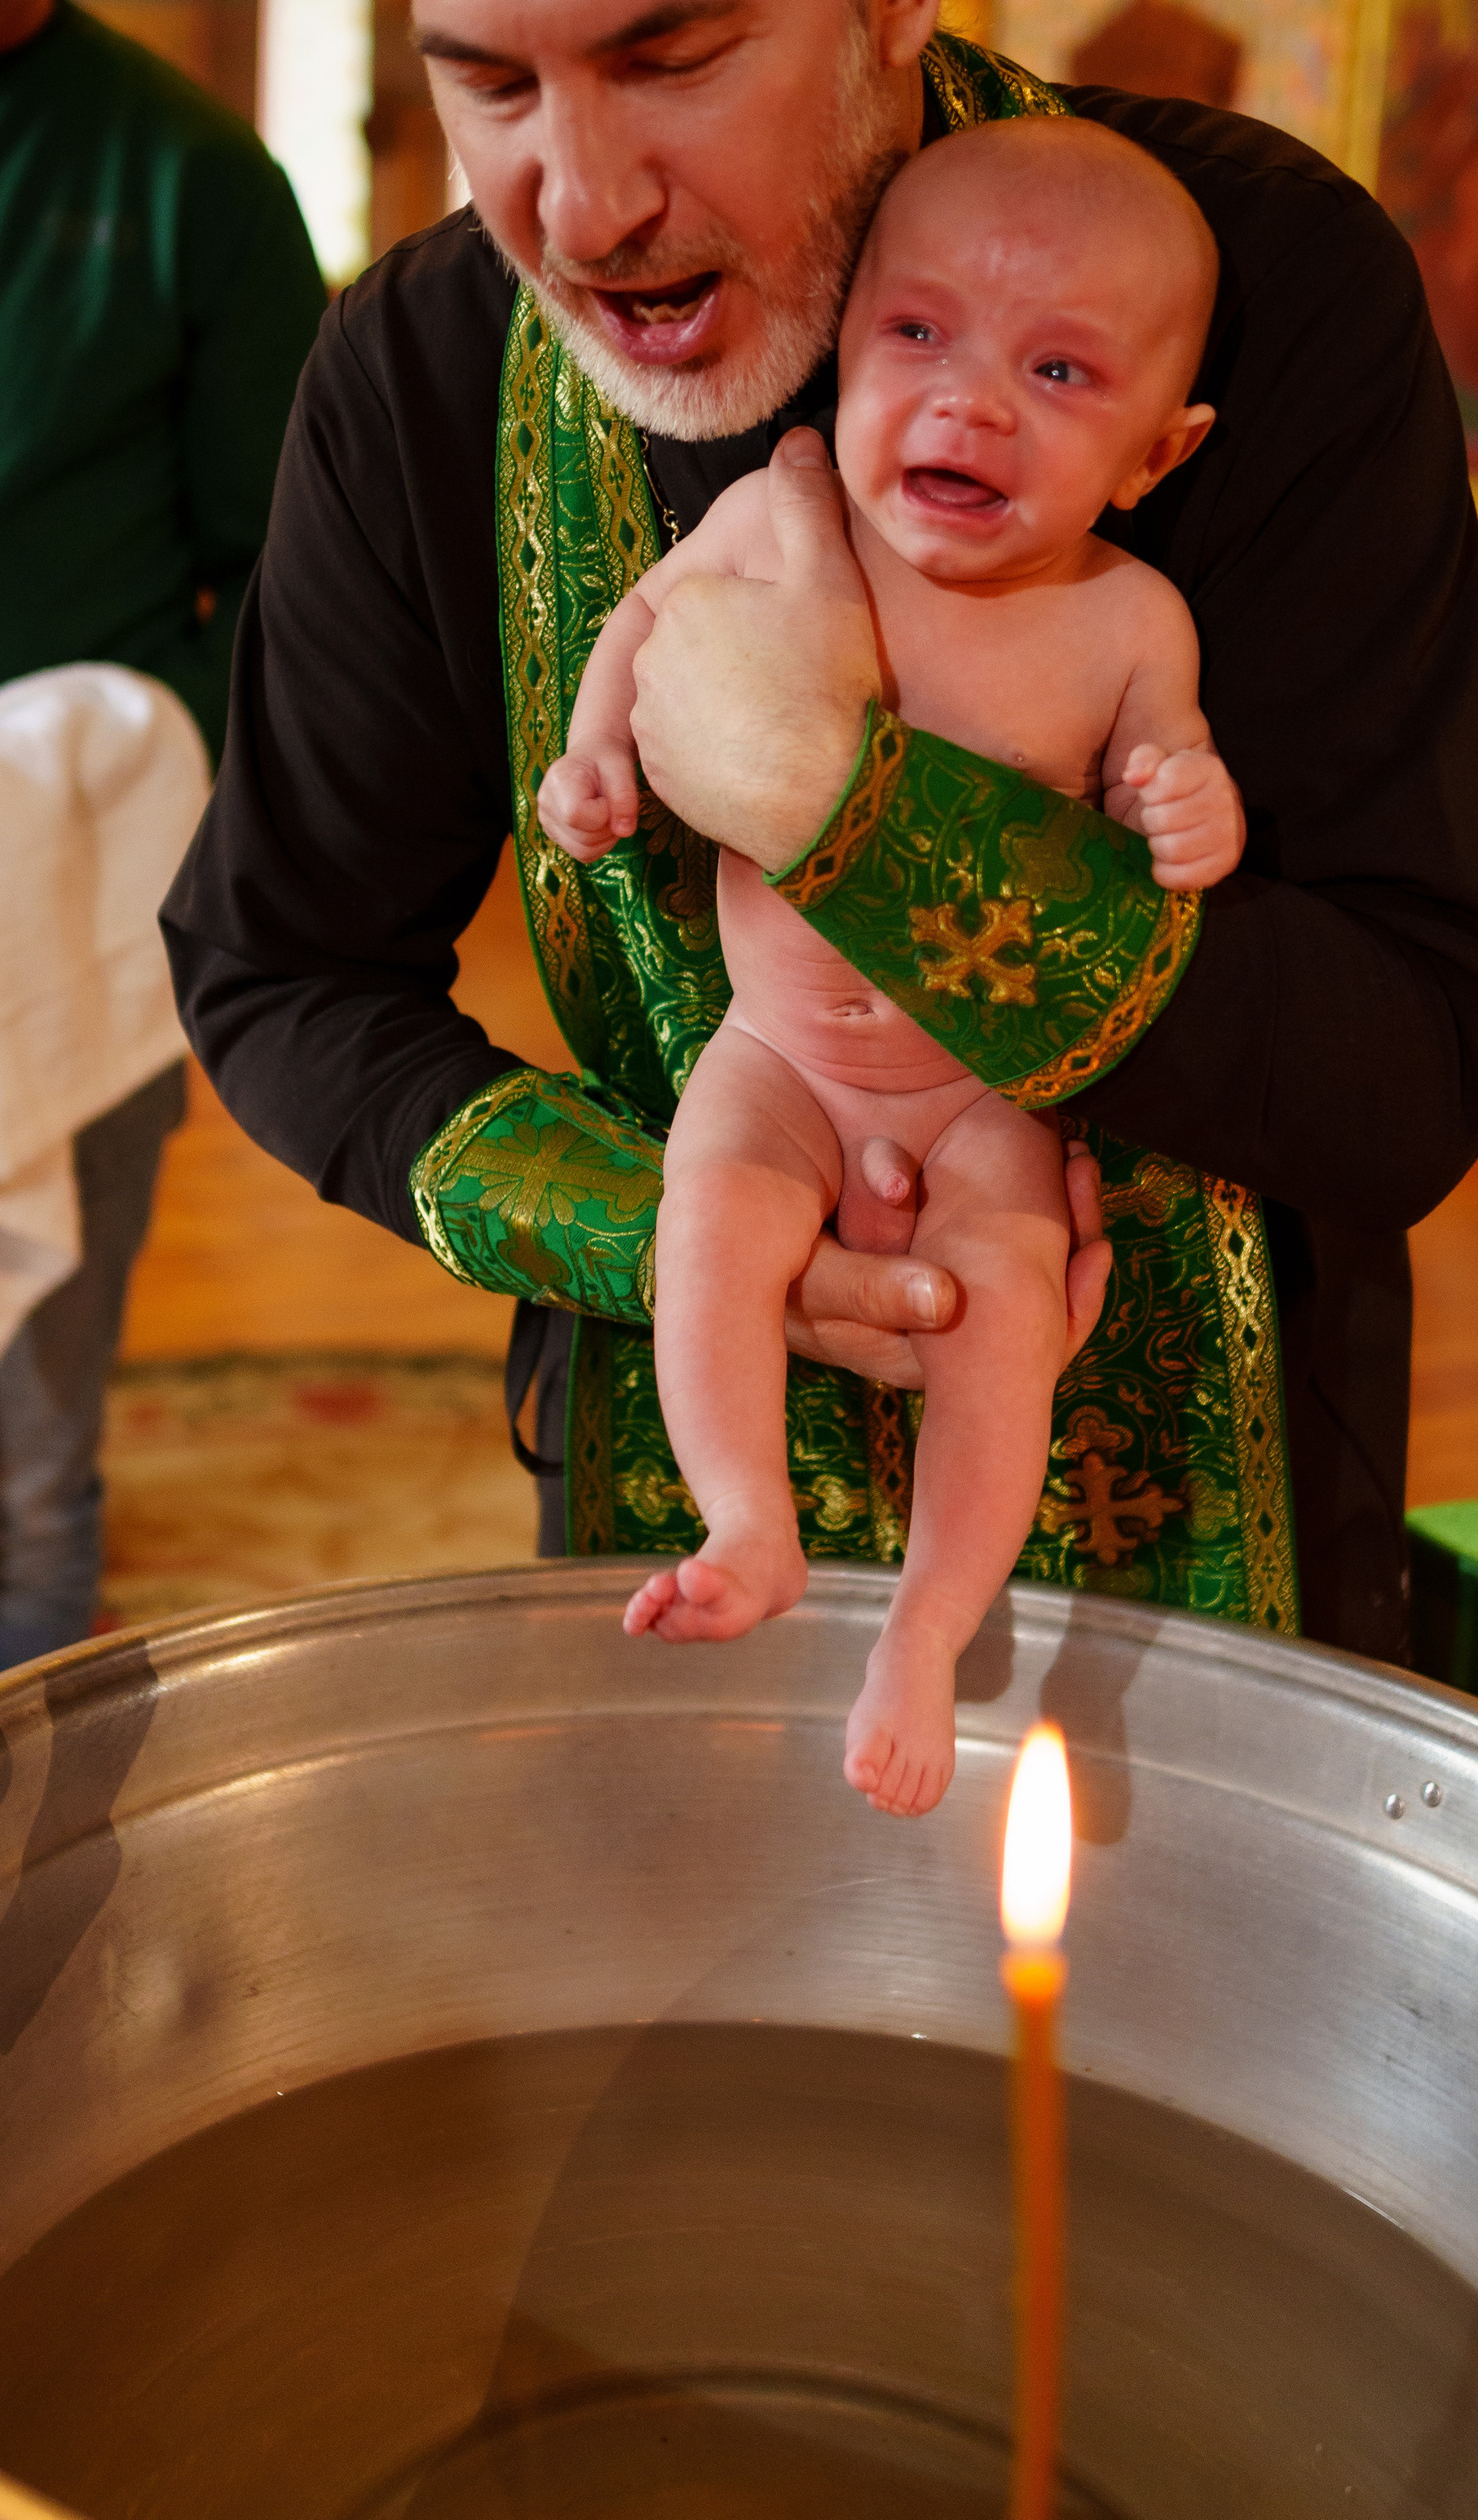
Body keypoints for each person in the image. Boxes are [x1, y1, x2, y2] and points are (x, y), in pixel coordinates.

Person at [164, 0, 1478, 1671]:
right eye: (487, 80)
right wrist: (692, 1232)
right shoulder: (424, 366)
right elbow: (275, 978)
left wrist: (853, 815)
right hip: (667, 1504)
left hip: (1210, 1566)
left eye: (668, 53)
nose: (580, 199)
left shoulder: (1255, 292)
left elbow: (1420, 1064)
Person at [543, 118, 1244, 1814]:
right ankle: (747, 1521)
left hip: (975, 1089)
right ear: (841, 342)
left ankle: (930, 1627)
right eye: (915, 335)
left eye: (1057, 369)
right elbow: (640, 628)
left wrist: (1187, 800)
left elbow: (1172, 773)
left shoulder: (1129, 622)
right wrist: (593, 761)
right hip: (777, 1056)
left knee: (1002, 1306)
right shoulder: (791, 530)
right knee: (706, 1220)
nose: (968, 401)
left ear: (1158, 449)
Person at [0, 0, 324, 1663]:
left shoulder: (193, 182)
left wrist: (103, 788)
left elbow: (286, 603)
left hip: (67, 895)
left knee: (21, 1442)